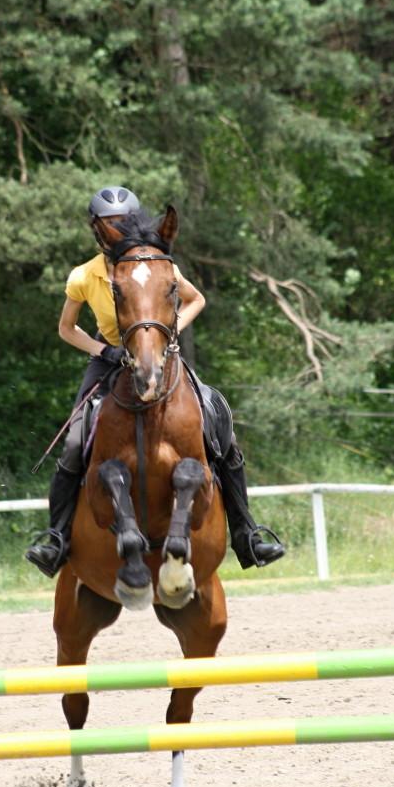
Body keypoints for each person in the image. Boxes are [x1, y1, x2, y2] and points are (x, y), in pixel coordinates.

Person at [26, 185, 285, 578]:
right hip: (109, 360)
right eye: (110, 224)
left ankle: (246, 533)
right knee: (76, 441)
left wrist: (167, 334)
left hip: (159, 355)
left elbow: (196, 299)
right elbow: (67, 329)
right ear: (98, 230)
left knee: (218, 422)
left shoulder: (156, 264)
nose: (117, 229)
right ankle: (56, 538)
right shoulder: (84, 275)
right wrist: (104, 352)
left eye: (123, 222)